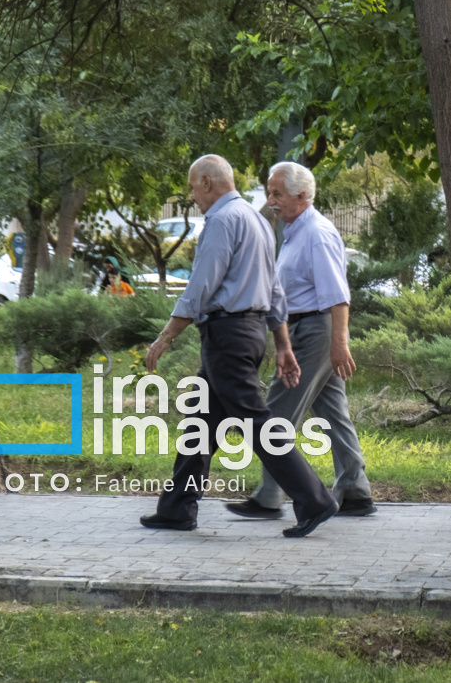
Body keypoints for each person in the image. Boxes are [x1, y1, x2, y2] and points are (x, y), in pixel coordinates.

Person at [142, 154, 337, 538]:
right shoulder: (259, 222)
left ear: (208, 183)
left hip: (227, 335)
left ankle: (314, 499)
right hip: (248, 334)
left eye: (193, 188)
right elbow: (275, 290)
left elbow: (202, 284)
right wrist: (281, 344)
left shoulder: (221, 220)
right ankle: (177, 507)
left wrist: (167, 334)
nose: (192, 196)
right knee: (200, 421)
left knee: (255, 422)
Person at [224, 161, 376, 522]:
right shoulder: (294, 230)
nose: (270, 200)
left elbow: (337, 296)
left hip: (315, 332)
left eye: (277, 193)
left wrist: (338, 345)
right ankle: (354, 491)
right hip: (307, 329)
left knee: (275, 414)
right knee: (332, 412)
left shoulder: (317, 234)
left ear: (302, 196)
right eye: (267, 191)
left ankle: (270, 496)